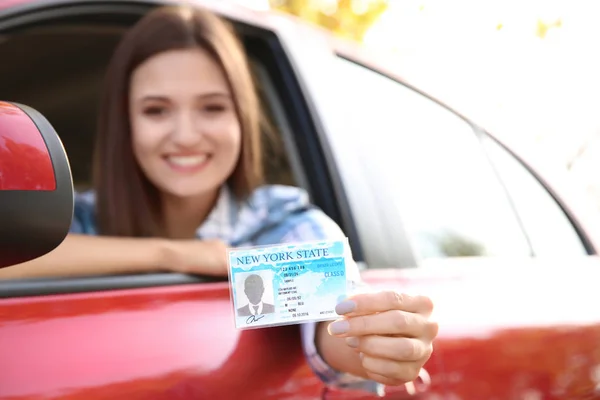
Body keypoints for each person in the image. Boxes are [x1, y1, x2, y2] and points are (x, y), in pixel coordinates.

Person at [0, 5, 438, 391]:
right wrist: (175, 254)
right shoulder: (79, 217)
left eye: (212, 108)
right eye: (156, 110)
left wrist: (373, 344)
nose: (187, 135)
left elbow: (334, 324)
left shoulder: (285, 224)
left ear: (242, 120)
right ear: (125, 125)